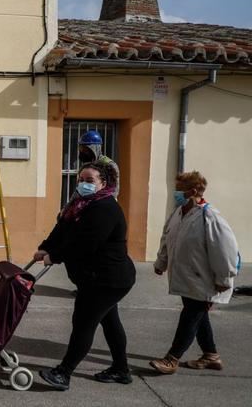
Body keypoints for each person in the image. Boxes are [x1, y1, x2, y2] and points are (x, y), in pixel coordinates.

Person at [35, 163, 137, 390]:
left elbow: (86, 244)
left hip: (107, 279)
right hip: (94, 277)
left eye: (90, 180)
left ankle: (64, 373)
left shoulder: (105, 208)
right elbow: (62, 229)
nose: (83, 183)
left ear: (104, 183)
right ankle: (121, 370)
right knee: (110, 322)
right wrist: (45, 247)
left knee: (83, 322)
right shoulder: (79, 205)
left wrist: (56, 256)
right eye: (81, 178)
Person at [150, 171, 239, 374]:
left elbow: (224, 250)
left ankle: (172, 359)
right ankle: (211, 355)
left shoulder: (210, 217)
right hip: (186, 278)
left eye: (180, 190)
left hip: (205, 280)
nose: (176, 194)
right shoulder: (179, 213)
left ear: (193, 191)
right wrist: (161, 262)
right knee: (198, 316)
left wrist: (224, 278)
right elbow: (167, 239)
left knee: (190, 316)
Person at [61, 130, 120, 220]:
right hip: (84, 206)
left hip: (102, 207)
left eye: (85, 149)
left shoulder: (109, 165)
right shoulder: (85, 166)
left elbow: (114, 191)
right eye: (81, 148)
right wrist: (68, 208)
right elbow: (78, 190)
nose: (82, 151)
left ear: (94, 148)